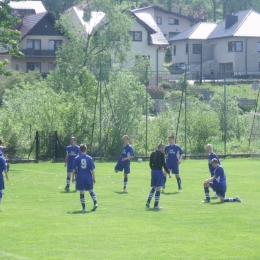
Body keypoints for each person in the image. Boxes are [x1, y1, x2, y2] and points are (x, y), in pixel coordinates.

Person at [72, 144, 98, 212]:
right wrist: (94, 178)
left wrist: (73, 178)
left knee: (82, 192)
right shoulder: (89, 158)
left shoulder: (77, 158)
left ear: (80, 150)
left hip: (80, 177)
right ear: (86, 150)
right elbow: (92, 169)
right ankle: (95, 203)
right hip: (88, 177)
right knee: (91, 191)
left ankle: (83, 208)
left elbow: (74, 169)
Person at [146, 142, 170, 209]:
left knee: (154, 187)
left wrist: (153, 169)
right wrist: (168, 172)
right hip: (159, 171)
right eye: (163, 147)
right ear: (161, 147)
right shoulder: (162, 154)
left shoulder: (152, 154)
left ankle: (148, 201)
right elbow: (163, 164)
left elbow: (150, 164)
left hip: (153, 171)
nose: (164, 149)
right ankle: (156, 205)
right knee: (158, 188)